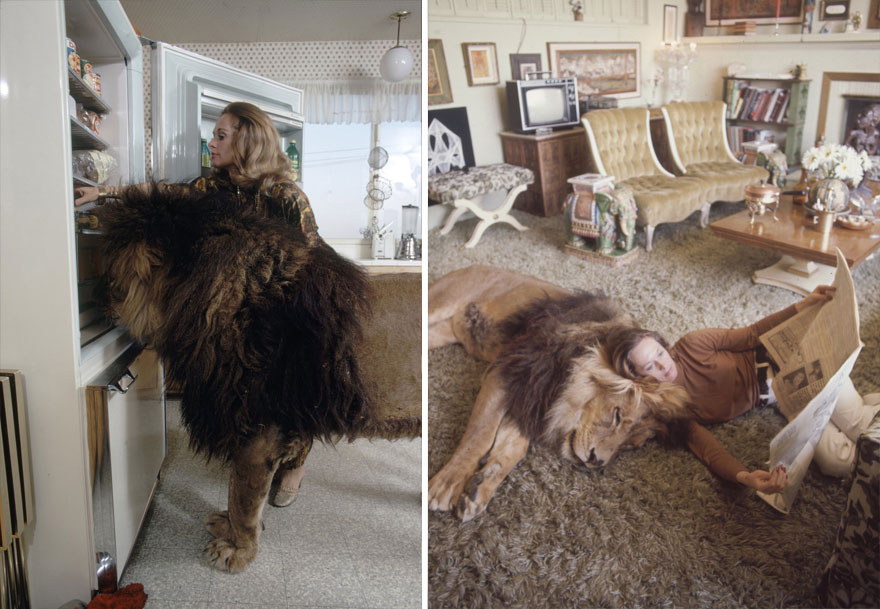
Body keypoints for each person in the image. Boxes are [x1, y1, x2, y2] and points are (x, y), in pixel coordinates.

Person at [74, 101, 317, 507]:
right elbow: (163, 192)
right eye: (215, 134)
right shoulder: (213, 188)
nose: (212, 142)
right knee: (248, 397)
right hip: (238, 316)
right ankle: (255, 462)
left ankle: (295, 466)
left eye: (221, 135)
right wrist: (103, 191)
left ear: (248, 139)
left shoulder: (287, 195)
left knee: (294, 391)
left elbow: (311, 258)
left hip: (283, 310)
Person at [610, 285, 880, 494]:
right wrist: (746, 477)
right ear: (638, 377)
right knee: (838, 462)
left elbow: (752, 334)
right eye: (650, 365)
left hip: (797, 362)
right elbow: (708, 449)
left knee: (858, 426)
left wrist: (803, 304)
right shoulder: (671, 408)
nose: (662, 363)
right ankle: (873, 404)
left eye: (659, 351)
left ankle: (866, 409)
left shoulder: (693, 344)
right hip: (782, 398)